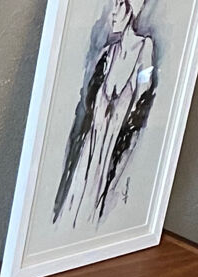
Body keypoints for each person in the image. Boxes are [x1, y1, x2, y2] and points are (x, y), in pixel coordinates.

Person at [53, 0, 158, 228]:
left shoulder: (144, 48)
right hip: (88, 153)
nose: (112, 12)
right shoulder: (106, 54)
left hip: (113, 154)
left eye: (119, 4)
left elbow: (140, 106)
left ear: (131, 10)